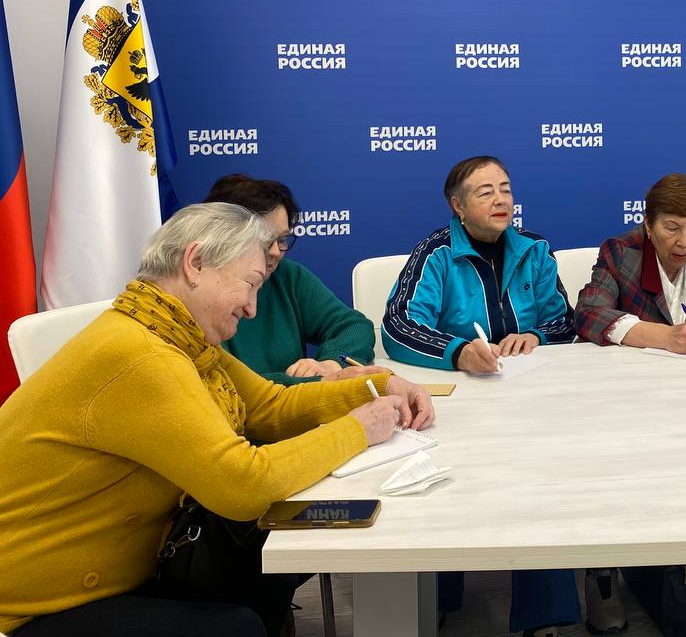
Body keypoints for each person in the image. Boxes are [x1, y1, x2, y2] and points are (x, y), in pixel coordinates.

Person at [0, 203, 434, 637]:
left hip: (129, 562)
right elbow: (243, 484)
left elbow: (269, 406)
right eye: (250, 284)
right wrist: (358, 428)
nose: (252, 308)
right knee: (236, 625)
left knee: (272, 555)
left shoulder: (174, 335)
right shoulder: (142, 356)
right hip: (36, 605)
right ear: (195, 263)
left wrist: (376, 388)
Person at [382, 155, 580, 637]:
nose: (500, 199)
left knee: (542, 485)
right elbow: (398, 325)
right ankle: (437, 600)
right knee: (445, 483)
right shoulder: (435, 254)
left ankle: (545, 617)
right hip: (462, 402)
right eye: (485, 191)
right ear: (458, 205)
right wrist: (458, 353)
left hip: (530, 400)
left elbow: (565, 320)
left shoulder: (535, 249)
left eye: (506, 189)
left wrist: (535, 335)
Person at [575, 173, 686, 633]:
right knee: (610, 467)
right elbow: (590, 314)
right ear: (649, 224)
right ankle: (603, 575)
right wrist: (664, 336)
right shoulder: (621, 251)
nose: (684, 242)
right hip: (627, 403)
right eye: (672, 228)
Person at [205, 174, 382, 383]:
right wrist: (320, 383)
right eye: (264, 240)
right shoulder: (202, 295)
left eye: (282, 239)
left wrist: (332, 363)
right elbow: (229, 385)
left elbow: (355, 326)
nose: (276, 251)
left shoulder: (286, 276)